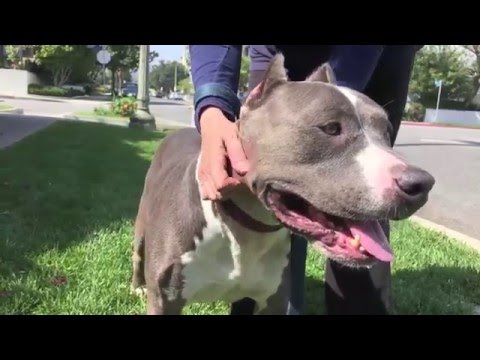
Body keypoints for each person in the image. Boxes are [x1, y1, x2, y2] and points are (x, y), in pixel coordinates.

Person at [189, 45, 422, 315]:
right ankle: (264, 298)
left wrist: (329, 112)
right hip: (275, 49)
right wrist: (211, 105)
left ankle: (360, 304)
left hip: (377, 53)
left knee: (363, 188)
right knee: (270, 180)